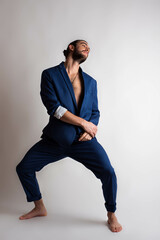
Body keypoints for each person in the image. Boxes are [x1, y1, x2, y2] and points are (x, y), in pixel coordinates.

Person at [16, 39, 122, 232]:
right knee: (24, 168)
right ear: (71, 48)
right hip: (55, 139)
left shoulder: (91, 82)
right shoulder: (50, 75)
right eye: (83, 44)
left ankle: (111, 213)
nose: (88, 48)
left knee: (108, 172)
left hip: (83, 141)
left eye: (89, 48)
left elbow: (95, 112)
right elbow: (54, 108)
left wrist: (91, 131)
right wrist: (83, 123)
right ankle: (39, 207)